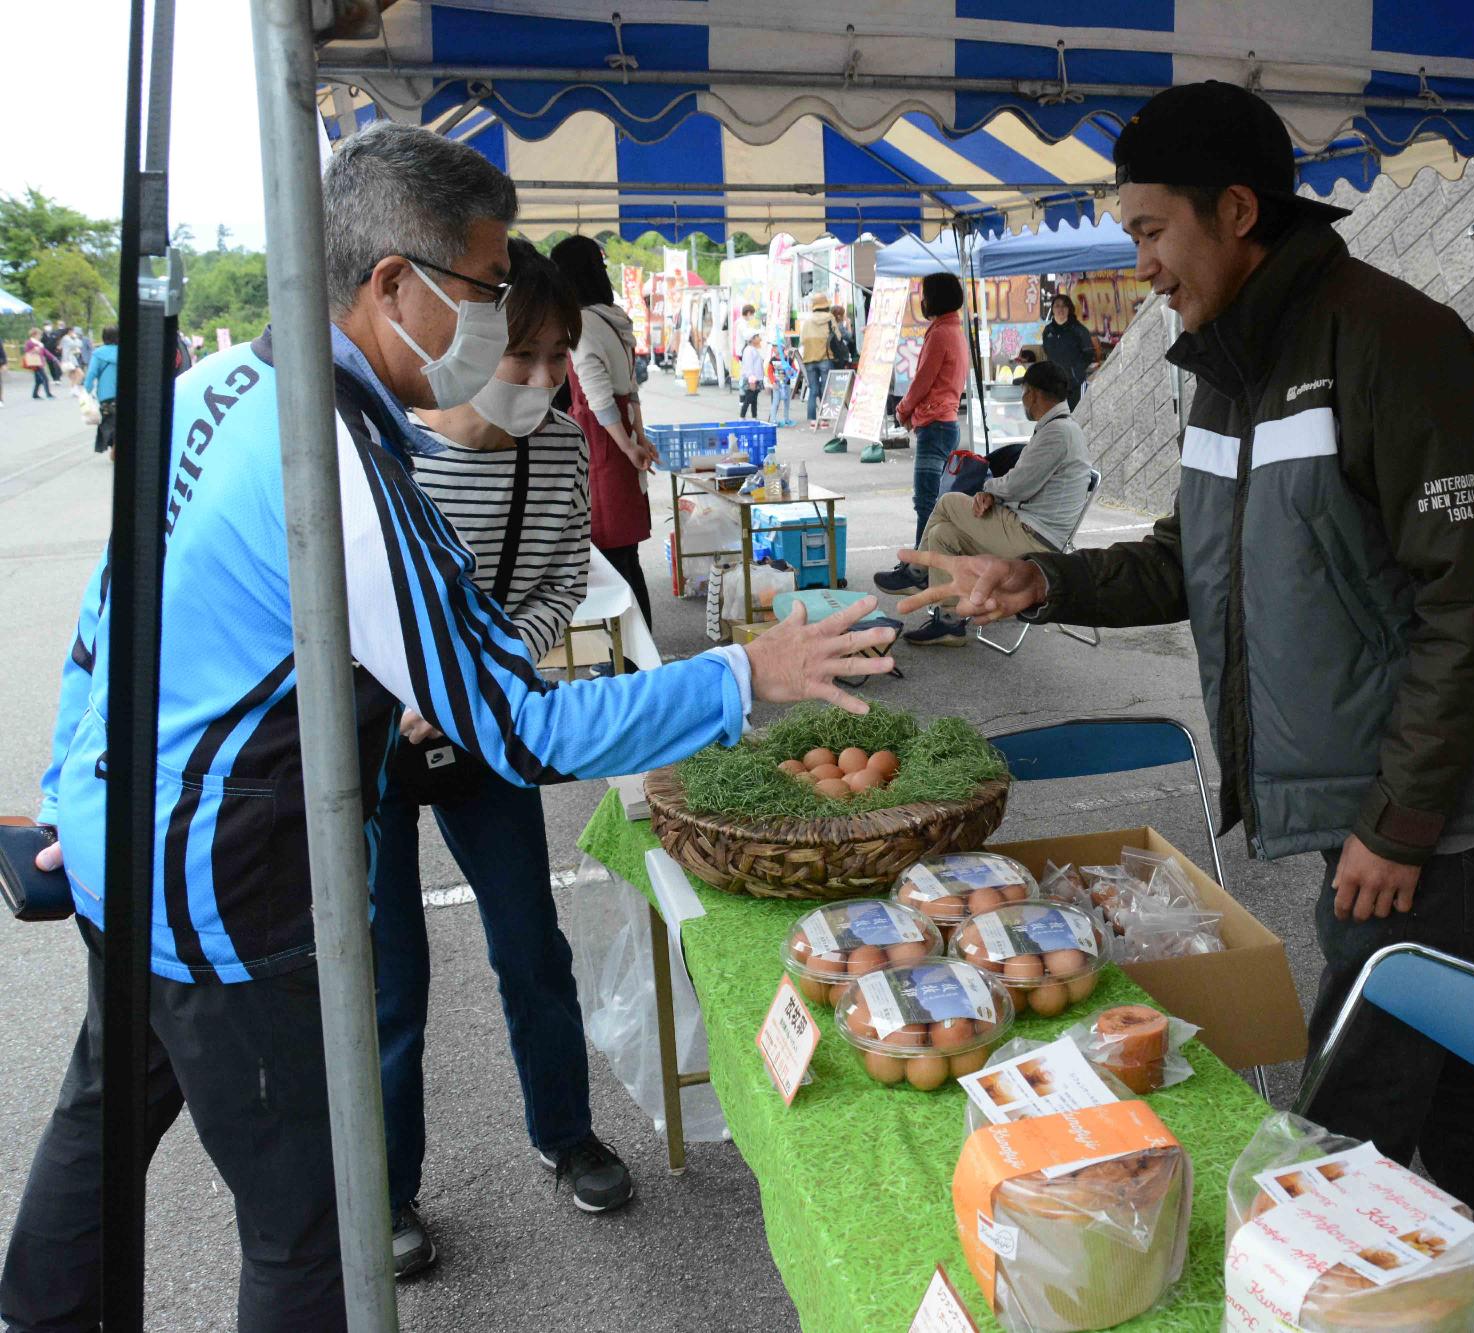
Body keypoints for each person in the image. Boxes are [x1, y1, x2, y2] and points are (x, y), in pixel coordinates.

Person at [2, 120, 896, 1333]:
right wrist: (745, 672)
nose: (493, 319)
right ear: (392, 284)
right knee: (312, 1227)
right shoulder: (334, 459)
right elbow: (516, 727)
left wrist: (74, 790)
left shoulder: (222, 385)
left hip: (127, 847)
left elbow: (110, 622)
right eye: (482, 285)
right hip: (214, 891)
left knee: (101, 1129)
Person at [895, 82, 1474, 1321]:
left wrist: (1398, 824)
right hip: (1361, 779)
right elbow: (1190, 559)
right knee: (1435, 1024)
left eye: (1150, 232)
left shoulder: (1395, 345)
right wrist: (1035, 575)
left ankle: (1291, 1288)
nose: (1137, 263)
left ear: (1236, 210)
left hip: (1432, 795)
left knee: (1356, 1075)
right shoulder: (1230, 367)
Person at [371, 239, 622, 1279]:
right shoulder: (381, 450)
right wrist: (401, 697)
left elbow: (567, 578)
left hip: (486, 730)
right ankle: (384, 1189)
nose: (538, 382)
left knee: (532, 946)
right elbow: (334, 607)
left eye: (557, 357)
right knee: (387, 980)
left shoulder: (559, 451)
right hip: (375, 741)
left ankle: (566, 1135)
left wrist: (492, 666)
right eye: (520, 357)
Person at [889, 360, 1093, 647]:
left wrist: (988, 488)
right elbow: (1020, 483)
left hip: (1035, 537)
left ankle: (917, 572)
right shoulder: (1060, 428)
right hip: (1027, 527)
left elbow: (1018, 484)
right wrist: (994, 494)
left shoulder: (1058, 433)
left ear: (1033, 393)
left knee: (948, 502)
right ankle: (949, 622)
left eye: (1024, 393)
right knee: (941, 535)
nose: (1023, 399)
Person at [549, 234, 659, 630]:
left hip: (603, 454)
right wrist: (637, 440)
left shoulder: (583, 324)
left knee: (612, 564)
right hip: (619, 448)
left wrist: (629, 448)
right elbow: (629, 391)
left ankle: (627, 659)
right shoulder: (614, 317)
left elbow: (599, 400)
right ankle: (633, 655)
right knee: (626, 559)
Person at [878, 273, 968, 579]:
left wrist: (902, 410)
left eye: (925, 294)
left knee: (927, 501)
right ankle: (926, 565)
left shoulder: (942, 333)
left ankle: (918, 570)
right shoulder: (951, 329)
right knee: (935, 502)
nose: (922, 300)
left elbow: (923, 381)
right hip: (945, 424)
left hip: (935, 426)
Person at [1039, 293, 1099, 409]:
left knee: (1077, 415)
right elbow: (1047, 352)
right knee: (1058, 416)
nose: (1060, 309)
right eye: (1057, 306)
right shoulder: (1048, 331)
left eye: (1064, 306)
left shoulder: (1079, 330)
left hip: (1076, 383)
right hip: (1056, 384)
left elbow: (1088, 354)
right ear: (1052, 309)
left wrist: (1075, 371)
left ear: (1069, 309)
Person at [799, 291, 835, 422]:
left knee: (813, 389)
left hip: (809, 359)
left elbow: (802, 340)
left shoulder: (807, 322)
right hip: (825, 358)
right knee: (826, 390)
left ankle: (812, 419)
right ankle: (825, 418)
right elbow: (838, 337)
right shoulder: (830, 318)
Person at [82, 326, 118, 454]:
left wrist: (86, 390)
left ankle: (114, 445)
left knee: (108, 421)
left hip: (106, 395)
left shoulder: (99, 354)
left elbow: (91, 373)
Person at [738, 329, 768, 420]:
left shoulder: (754, 349)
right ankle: (742, 417)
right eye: (758, 336)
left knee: (754, 399)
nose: (760, 338)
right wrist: (751, 380)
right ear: (752, 339)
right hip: (752, 379)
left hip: (757, 378)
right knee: (748, 399)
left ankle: (754, 417)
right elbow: (749, 366)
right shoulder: (748, 350)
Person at [771, 336, 800, 427]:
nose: (773, 348)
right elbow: (769, 372)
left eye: (775, 346)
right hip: (777, 385)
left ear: (782, 347)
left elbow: (795, 370)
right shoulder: (772, 360)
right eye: (773, 346)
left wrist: (791, 371)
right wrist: (773, 382)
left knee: (786, 402)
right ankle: (773, 420)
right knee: (775, 402)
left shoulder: (789, 360)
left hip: (786, 385)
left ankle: (786, 419)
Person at [22, 328, 53, 399]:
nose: (40, 336)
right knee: (45, 379)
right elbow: (26, 352)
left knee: (38, 380)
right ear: (34, 335)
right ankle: (48, 394)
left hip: (40, 362)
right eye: (39, 334)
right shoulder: (29, 342)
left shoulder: (40, 343)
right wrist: (34, 350)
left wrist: (53, 358)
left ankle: (35, 395)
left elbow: (45, 352)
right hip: (35, 363)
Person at [58, 325, 83, 392]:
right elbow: (77, 345)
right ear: (70, 331)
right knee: (80, 374)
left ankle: (74, 390)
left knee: (73, 376)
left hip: (69, 359)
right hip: (69, 359)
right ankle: (74, 388)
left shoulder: (66, 338)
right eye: (73, 332)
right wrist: (76, 338)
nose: (74, 333)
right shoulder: (66, 338)